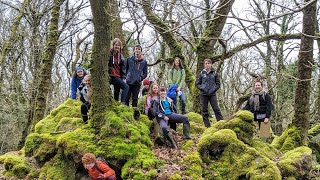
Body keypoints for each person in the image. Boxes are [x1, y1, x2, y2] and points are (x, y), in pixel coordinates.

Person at [196, 59, 223, 127]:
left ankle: (221, 124)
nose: (207, 64)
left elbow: (218, 84)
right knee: (204, 111)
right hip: (203, 94)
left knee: (216, 109)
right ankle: (207, 126)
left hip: (212, 94)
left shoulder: (215, 73)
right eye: (206, 63)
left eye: (208, 63)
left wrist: (213, 90)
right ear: (204, 65)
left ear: (211, 64)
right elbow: (198, 83)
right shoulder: (202, 73)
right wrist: (202, 88)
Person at [108, 38, 129, 104]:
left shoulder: (120, 55)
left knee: (116, 92)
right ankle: (122, 103)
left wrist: (123, 77)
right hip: (113, 75)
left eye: (118, 45)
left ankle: (116, 105)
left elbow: (123, 68)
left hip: (118, 75)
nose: (117, 46)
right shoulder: (109, 54)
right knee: (126, 87)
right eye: (115, 45)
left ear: (120, 46)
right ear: (113, 45)